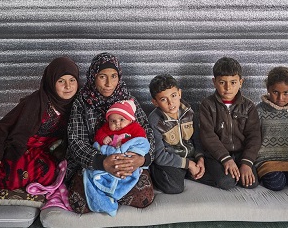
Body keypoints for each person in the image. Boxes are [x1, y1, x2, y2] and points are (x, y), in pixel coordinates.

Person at [0, 56, 79, 200]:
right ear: (51, 82)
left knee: (49, 175)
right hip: (20, 147)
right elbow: (2, 127)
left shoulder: (76, 105)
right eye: (61, 81)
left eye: (72, 80)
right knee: (14, 178)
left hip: (46, 152)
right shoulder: (35, 102)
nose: (68, 86)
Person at [66, 52, 155, 214]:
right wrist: (103, 163)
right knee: (78, 204)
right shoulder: (82, 102)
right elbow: (75, 140)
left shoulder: (128, 100)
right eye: (102, 77)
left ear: (119, 77)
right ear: (93, 76)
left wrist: (141, 159)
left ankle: (110, 193)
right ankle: (108, 192)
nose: (109, 83)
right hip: (95, 163)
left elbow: (147, 132)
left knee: (145, 197)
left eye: (113, 76)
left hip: (129, 162)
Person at [199, 57, 261, 190]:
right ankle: (198, 174)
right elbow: (208, 136)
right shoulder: (207, 105)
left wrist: (246, 163)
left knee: (251, 183)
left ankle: (237, 170)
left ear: (241, 82)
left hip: (240, 153)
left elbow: (254, 136)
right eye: (222, 82)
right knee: (227, 183)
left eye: (233, 82)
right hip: (216, 155)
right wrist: (226, 159)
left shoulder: (249, 106)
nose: (228, 88)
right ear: (214, 82)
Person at [84, 99, 150, 216]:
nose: (117, 123)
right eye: (113, 121)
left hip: (127, 156)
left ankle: (117, 188)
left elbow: (142, 140)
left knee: (128, 167)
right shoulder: (106, 128)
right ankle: (107, 196)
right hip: (109, 157)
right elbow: (98, 135)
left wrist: (128, 147)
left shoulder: (134, 128)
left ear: (130, 119)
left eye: (121, 120)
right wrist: (103, 138)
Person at [148, 74, 205, 194]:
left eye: (173, 96)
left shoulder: (189, 112)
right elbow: (160, 156)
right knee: (174, 187)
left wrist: (200, 159)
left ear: (179, 93)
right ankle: (155, 172)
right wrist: (188, 164)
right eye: (163, 99)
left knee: (225, 180)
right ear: (155, 102)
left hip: (190, 156)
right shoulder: (154, 121)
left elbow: (197, 139)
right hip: (171, 160)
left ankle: (189, 172)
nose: (171, 102)